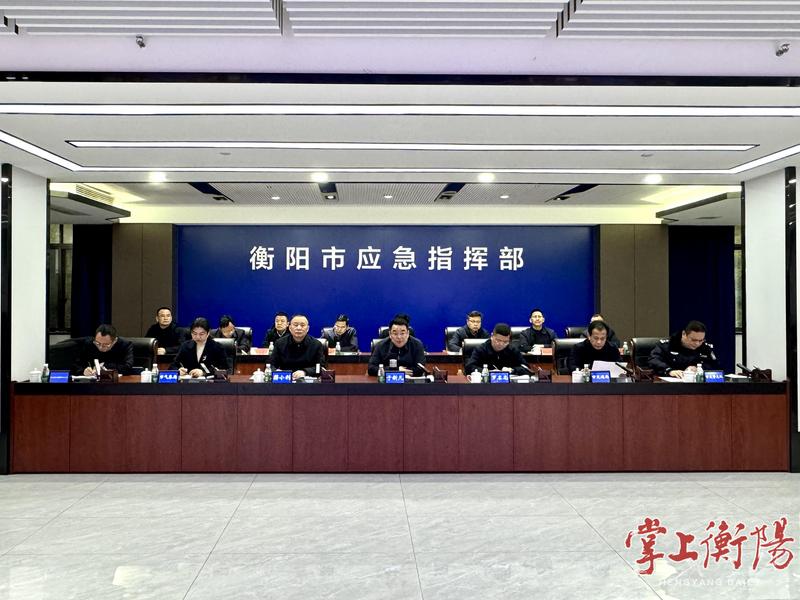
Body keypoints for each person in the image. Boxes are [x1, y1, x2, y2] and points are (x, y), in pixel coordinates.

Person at [648, 320, 719, 378]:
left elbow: (715, 365)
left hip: (697, 384)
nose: (697, 343)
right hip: (669, 384)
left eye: (701, 340)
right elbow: (653, 360)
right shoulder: (667, 345)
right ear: (684, 334)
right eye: (693, 340)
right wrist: (669, 371)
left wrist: (699, 369)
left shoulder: (705, 347)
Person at [270, 314, 327, 380]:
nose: (299, 328)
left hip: (308, 381)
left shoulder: (316, 344)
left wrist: (305, 372)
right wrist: (277, 371)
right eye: (295, 325)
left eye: (302, 325)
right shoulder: (280, 343)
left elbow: (320, 367)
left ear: (307, 329)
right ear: (290, 328)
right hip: (285, 380)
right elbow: (271, 365)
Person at [465, 323, 529, 375]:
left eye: (505, 342)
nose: (501, 344)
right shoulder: (481, 349)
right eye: (498, 340)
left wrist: (512, 370)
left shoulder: (513, 350)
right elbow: (469, 367)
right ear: (492, 336)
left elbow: (526, 368)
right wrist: (488, 372)